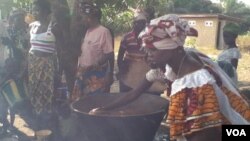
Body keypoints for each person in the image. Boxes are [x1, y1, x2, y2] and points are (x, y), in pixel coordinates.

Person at [90, 14, 250, 141]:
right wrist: (105, 109)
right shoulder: (175, 63)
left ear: (172, 49)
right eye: (146, 50)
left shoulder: (196, 85)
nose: (147, 56)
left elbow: (208, 135)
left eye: (152, 50)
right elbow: (134, 93)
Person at [28, 0, 62, 137]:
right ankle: (39, 131)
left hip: (47, 68)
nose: (35, 13)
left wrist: (60, 73)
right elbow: (30, 47)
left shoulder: (54, 27)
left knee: (49, 100)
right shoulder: (32, 26)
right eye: (34, 10)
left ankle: (52, 133)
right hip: (33, 68)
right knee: (34, 98)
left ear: (46, 11)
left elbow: (60, 50)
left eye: (38, 10)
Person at [71, 2, 114, 99]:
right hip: (82, 73)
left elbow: (110, 54)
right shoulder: (86, 31)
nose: (82, 20)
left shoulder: (103, 32)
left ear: (90, 17)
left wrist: (109, 73)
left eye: (83, 17)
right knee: (80, 102)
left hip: (96, 75)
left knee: (95, 102)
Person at [0, 9, 29, 133]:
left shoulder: (28, 31)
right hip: (10, 68)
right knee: (8, 96)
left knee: (18, 96)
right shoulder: (10, 31)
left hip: (22, 67)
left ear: (23, 18)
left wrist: (11, 44)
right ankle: (7, 123)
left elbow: (25, 53)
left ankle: (22, 119)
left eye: (19, 17)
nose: (16, 20)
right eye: (14, 18)